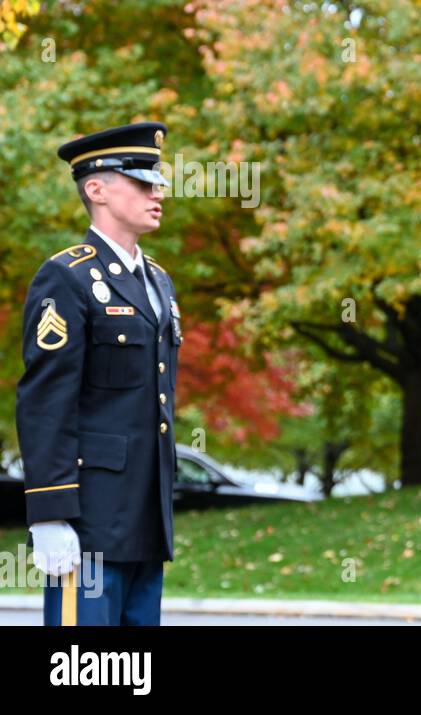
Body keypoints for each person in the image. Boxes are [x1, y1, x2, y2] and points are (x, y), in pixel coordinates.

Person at [17, 122, 181, 626]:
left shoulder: (157, 280)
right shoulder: (66, 276)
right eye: (141, 180)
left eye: (158, 180)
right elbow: (47, 401)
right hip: (88, 521)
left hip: (146, 518)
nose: (158, 192)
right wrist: (49, 511)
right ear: (96, 188)